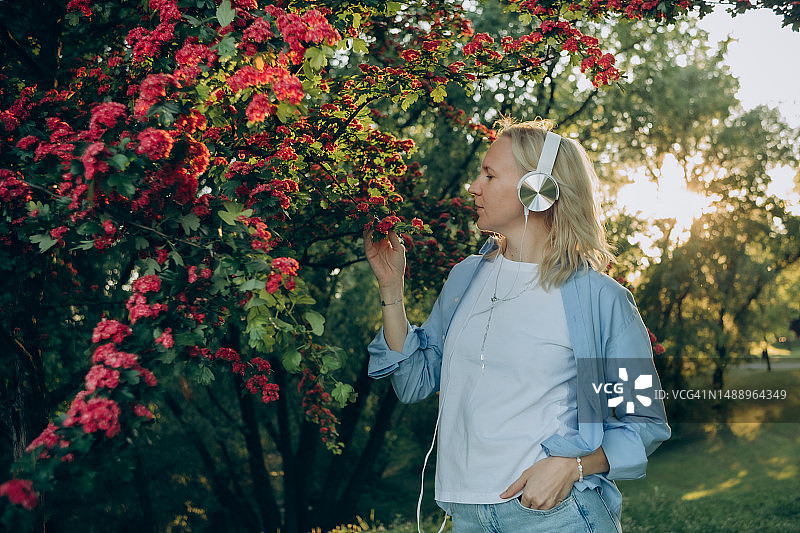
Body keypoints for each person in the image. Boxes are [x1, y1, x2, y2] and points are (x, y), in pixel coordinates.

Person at [365, 117, 670, 533]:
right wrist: (391, 289)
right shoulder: (464, 278)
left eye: (489, 174)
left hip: (555, 516)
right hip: (467, 515)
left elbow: (643, 421)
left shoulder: (600, 299)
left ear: (538, 190)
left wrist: (573, 467)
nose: (474, 186)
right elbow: (414, 380)